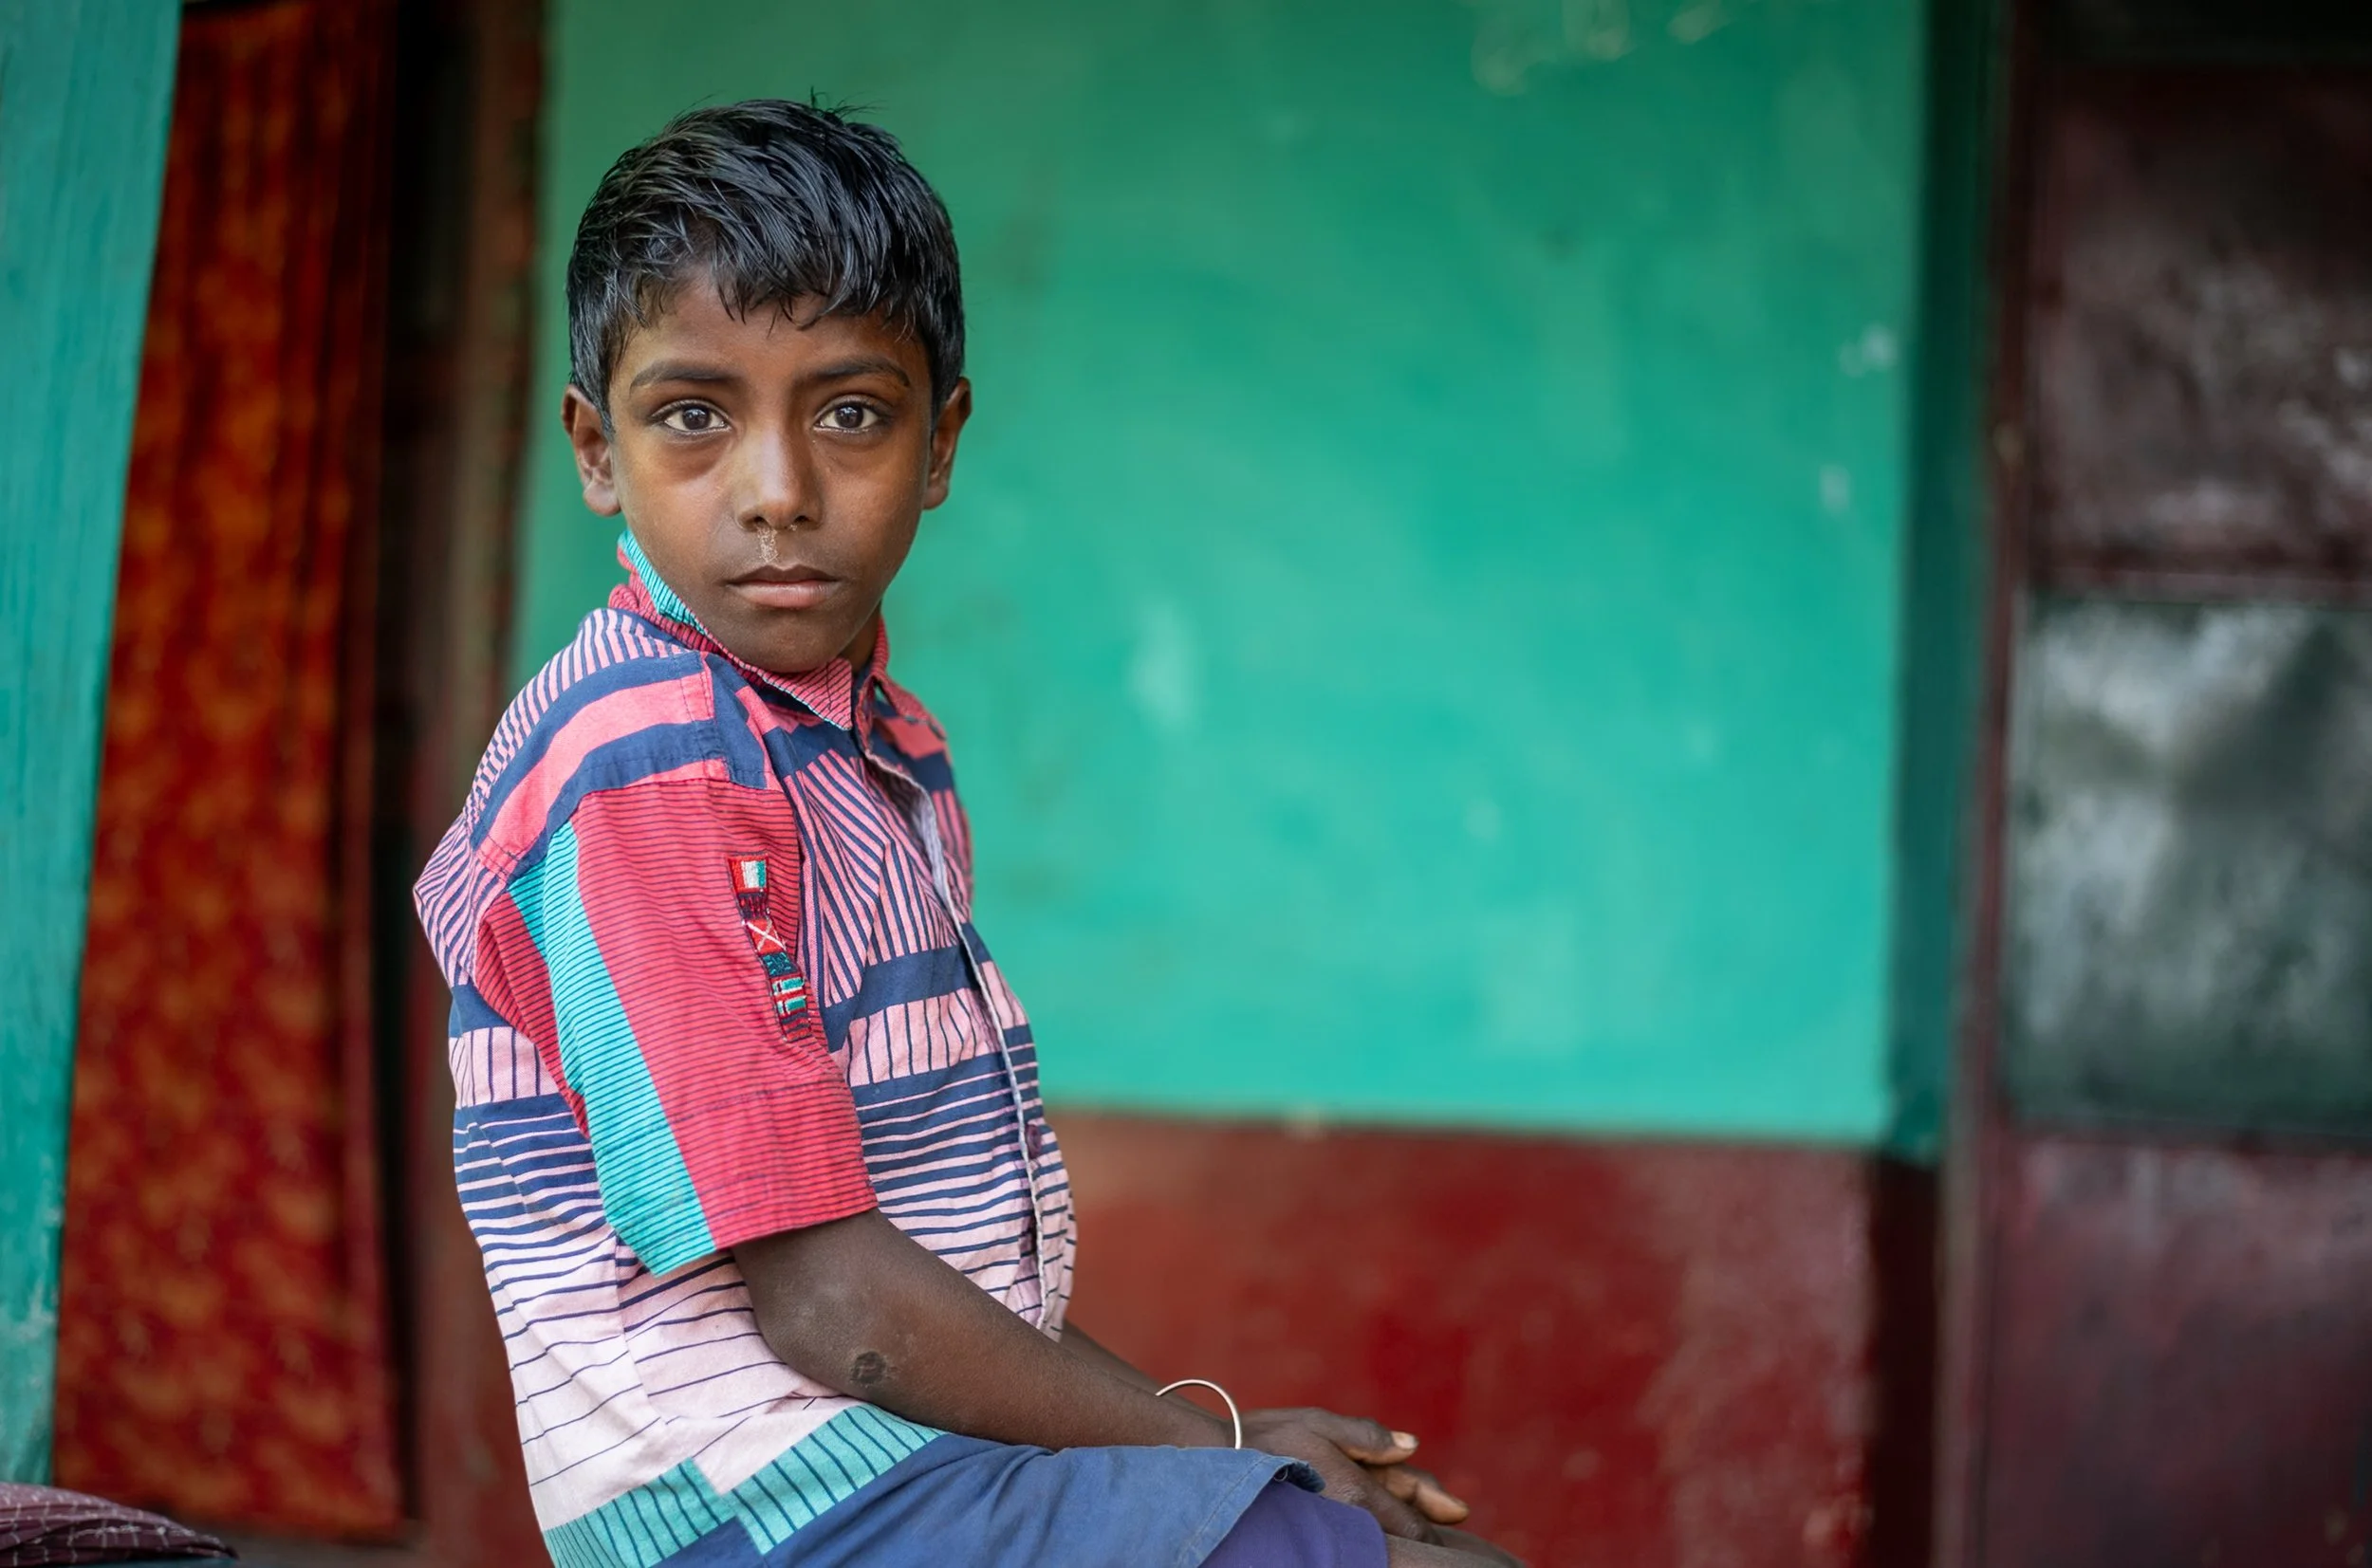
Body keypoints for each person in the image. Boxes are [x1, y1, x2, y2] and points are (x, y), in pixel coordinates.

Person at [416, 100, 1518, 1568]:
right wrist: (1229, 1463)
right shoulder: (644, 756)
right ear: (594, 448)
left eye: (850, 413)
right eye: (693, 415)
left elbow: (927, 1285)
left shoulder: (871, 749)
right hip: (780, 1511)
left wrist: (1220, 1454)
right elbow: (837, 1310)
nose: (777, 491)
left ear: (939, 443)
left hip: (903, 1473)